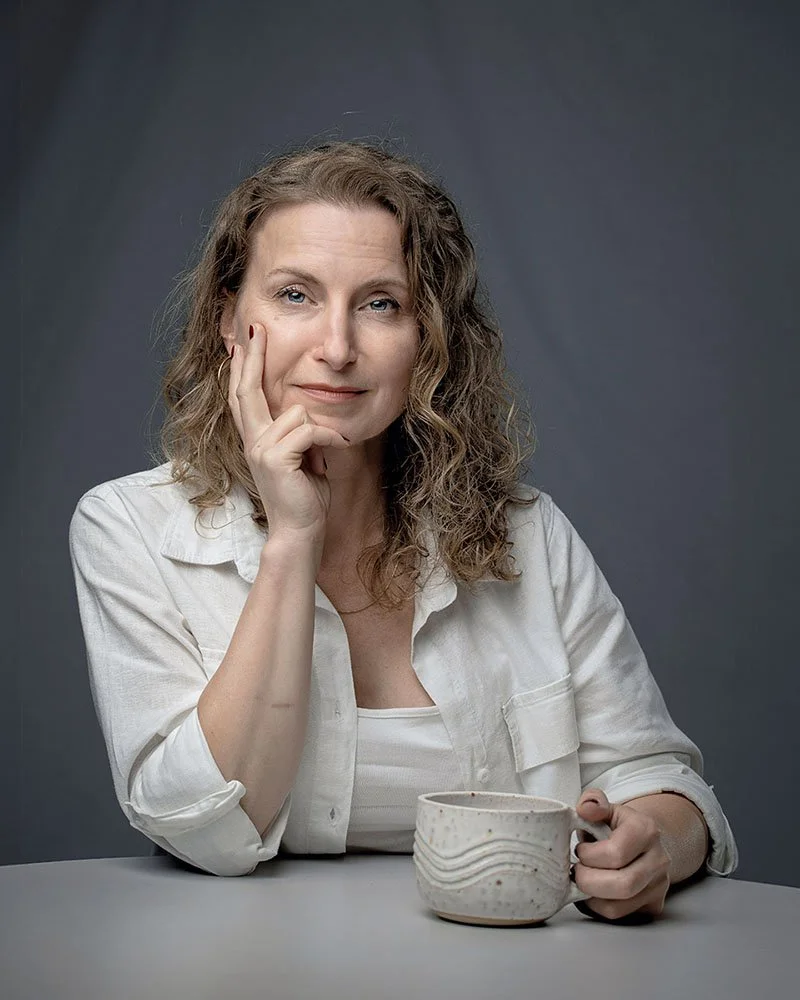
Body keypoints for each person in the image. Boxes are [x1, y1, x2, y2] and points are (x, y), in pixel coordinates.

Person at [68, 140, 737, 920]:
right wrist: (292, 539)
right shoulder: (128, 528)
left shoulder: (530, 536)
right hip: (248, 963)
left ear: (429, 337)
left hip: (509, 968)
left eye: (381, 303)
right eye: (295, 295)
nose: (337, 348)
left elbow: (661, 781)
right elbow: (203, 829)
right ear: (230, 321)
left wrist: (655, 847)